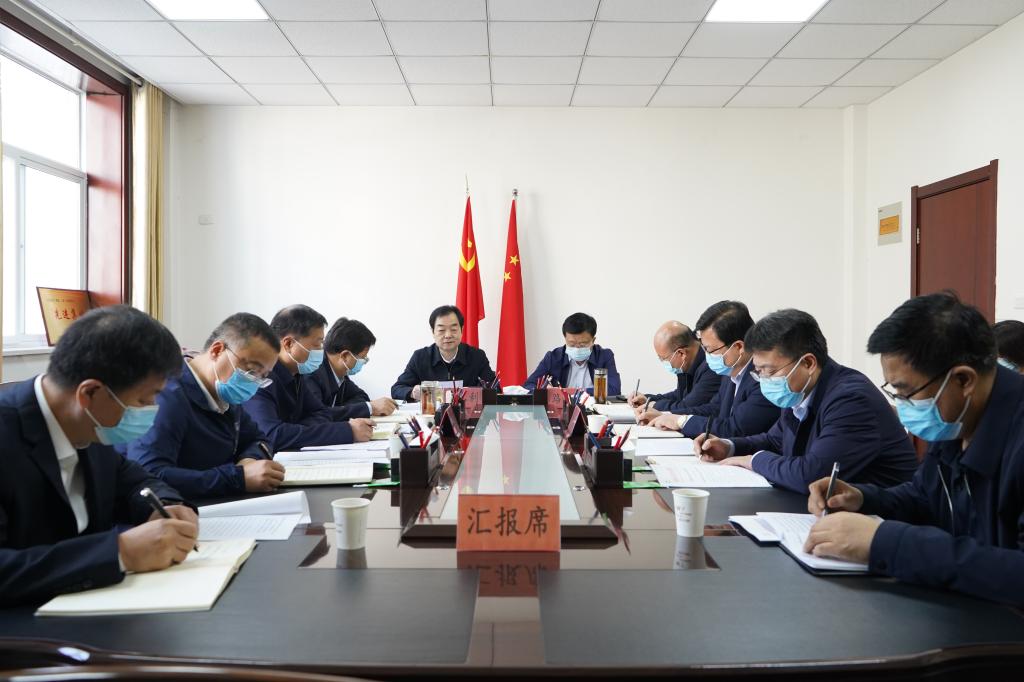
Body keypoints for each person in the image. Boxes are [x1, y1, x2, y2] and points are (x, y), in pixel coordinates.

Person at [804, 293, 1024, 607]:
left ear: (963, 380)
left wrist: (886, 543)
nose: (902, 405)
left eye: (906, 392)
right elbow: (924, 497)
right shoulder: (959, 415)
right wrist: (863, 498)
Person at [0, 305, 198, 607]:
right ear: (90, 393)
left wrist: (167, 505)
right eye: (143, 400)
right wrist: (120, 553)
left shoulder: (89, 426)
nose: (151, 411)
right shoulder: (8, 436)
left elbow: (136, 481)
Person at [697, 308, 918, 493]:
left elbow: (812, 475)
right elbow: (775, 440)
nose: (764, 380)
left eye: (769, 371)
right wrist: (729, 446)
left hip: (881, 518)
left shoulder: (850, 399)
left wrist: (753, 460)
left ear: (808, 363)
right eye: (759, 371)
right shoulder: (800, 389)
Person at [122, 313, 285, 500]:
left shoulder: (225, 394)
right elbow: (150, 475)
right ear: (217, 350)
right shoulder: (166, 397)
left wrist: (249, 460)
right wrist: (237, 478)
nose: (253, 381)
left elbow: (259, 439)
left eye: (262, 376)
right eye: (251, 370)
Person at [244, 305, 373, 451]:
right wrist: (346, 431)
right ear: (289, 344)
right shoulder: (259, 377)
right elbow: (272, 435)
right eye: (317, 344)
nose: (321, 351)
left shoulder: (296, 374)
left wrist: (296, 430)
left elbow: (322, 413)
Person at [649, 301, 779, 438]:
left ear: (739, 347)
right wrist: (669, 416)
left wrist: (681, 422)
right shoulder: (730, 372)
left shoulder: (763, 379)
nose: (707, 356)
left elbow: (735, 429)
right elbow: (714, 409)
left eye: (710, 350)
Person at [391, 305, 497, 402]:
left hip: (467, 415)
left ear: (462, 330)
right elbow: (397, 389)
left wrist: (480, 391)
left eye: (453, 329)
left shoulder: (477, 356)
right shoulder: (420, 357)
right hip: (431, 415)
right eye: (441, 330)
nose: (448, 335)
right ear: (433, 332)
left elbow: (495, 388)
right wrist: (412, 392)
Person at [628, 321, 723, 423]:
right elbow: (680, 395)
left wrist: (655, 405)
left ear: (681, 353)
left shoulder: (712, 367)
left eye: (663, 358)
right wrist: (648, 399)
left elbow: (688, 405)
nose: (663, 362)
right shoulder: (687, 363)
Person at [309, 317, 397, 420]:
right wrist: (370, 408)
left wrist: (342, 410)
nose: (364, 361)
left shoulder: (340, 374)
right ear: (345, 356)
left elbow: (361, 396)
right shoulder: (312, 373)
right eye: (362, 358)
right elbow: (318, 416)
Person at [522, 312, 621, 394]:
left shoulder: (604, 356)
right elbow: (528, 385)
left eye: (582, 344)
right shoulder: (553, 357)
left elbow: (614, 389)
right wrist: (545, 391)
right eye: (572, 344)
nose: (577, 348)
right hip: (562, 410)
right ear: (565, 339)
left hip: (595, 410)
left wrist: (570, 392)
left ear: (593, 340)